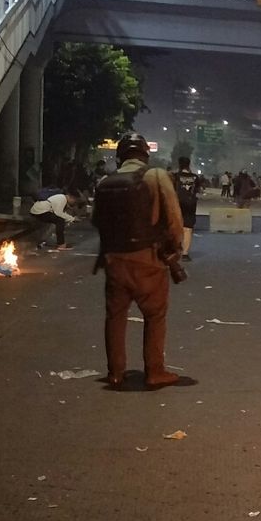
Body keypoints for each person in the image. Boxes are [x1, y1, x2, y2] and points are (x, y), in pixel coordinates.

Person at [91, 132, 186, 390]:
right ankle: (155, 371)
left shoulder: (104, 182)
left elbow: (97, 221)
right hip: (148, 259)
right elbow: (175, 219)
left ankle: (115, 373)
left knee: (115, 316)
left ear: (120, 155)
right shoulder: (155, 176)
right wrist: (176, 250)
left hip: (114, 260)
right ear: (145, 154)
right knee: (155, 316)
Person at [172, 157, 201, 260]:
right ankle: (185, 254)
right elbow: (198, 192)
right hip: (190, 205)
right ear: (189, 165)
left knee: (175, 227)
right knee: (188, 229)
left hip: (176, 204)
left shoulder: (175, 176)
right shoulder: (195, 177)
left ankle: (175, 250)